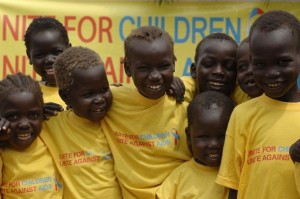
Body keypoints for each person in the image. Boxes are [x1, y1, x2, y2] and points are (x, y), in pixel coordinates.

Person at [101, 26, 193, 199]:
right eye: (144, 68)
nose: (155, 76)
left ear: (174, 63)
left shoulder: (188, 91)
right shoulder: (110, 101)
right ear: (127, 68)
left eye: (163, 66)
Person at [216, 10, 300, 199]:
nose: (272, 73)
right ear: (252, 61)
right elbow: (233, 186)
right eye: (261, 65)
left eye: (282, 62)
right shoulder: (242, 115)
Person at [40, 46, 122, 198]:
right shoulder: (50, 125)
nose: (99, 99)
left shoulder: (118, 115)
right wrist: (36, 112)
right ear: (65, 97)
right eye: (88, 94)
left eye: (104, 89)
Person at [156, 91, 235, 199]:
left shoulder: (236, 174)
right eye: (204, 137)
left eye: (222, 136)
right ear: (189, 137)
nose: (214, 144)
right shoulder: (180, 176)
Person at [0, 72, 63, 198]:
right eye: (13, 116)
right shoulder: (2, 151)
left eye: (33, 115)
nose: (24, 124)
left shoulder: (52, 137)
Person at [24, 16, 71, 109]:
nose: (49, 60)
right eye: (40, 55)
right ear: (29, 56)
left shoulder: (87, 91)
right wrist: (34, 114)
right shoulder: (24, 97)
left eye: (57, 52)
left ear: (69, 50)